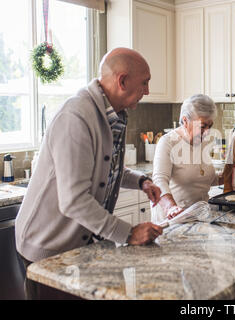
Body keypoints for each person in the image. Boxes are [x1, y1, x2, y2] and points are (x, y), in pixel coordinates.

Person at [15, 48, 164, 298]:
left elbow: (108, 168)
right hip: (46, 247)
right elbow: (74, 201)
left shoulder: (112, 114)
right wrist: (128, 233)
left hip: (76, 246)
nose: (147, 91)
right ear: (123, 81)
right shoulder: (76, 117)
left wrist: (141, 182)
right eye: (145, 82)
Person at [151, 94, 221, 224]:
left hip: (200, 218)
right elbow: (159, 180)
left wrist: (232, 173)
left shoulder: (203, 141)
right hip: (174, 219)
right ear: (185, 121)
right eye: (202, 126)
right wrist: (170, 207)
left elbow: (203, 179)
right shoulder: (168, 142)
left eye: (209, 127)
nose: (207, 132)